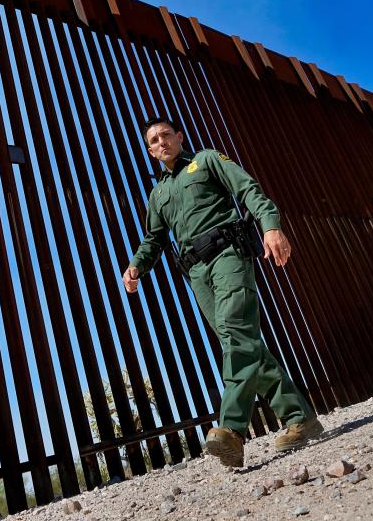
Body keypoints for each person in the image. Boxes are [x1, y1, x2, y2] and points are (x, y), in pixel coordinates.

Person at [122, 117, 323, 467]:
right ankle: (300, 418)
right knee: (242, 343)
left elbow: (248, 189)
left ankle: (230, 429)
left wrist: (271, 226)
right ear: (150, 151)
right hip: (196, 272)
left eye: (166, 135)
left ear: (179, 137)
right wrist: (137, 265)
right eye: (153, 140)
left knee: (234, 332)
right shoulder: (158, 194)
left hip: (227, 253)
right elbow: (154, 238)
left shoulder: (208, 160)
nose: (161, 142)